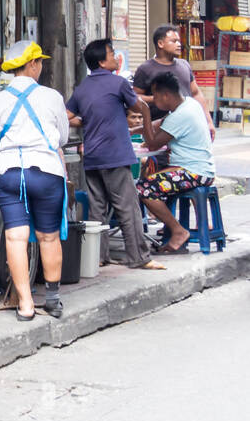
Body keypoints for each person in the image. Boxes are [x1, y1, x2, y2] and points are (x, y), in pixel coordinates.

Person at [0, 40, 71, 320]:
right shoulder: (52, 97)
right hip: (46, 172)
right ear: (31, 64)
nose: (41, 66)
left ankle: (26, 305)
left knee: (15, 237)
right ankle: (53, 300)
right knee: (48, 236)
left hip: (9, 173)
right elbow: (64, 138)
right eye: (40, 62)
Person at [65, 39, 164, 271]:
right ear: (101, 61)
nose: (115, 57)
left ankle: (99, 257)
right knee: (127, 207)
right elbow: (140, 107)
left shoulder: (82, 88)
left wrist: (87, 121)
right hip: (115, 154)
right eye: (111, 54)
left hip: (91, 157)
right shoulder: (118, 83)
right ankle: (139, 257)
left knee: (98, 208)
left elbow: (67, 116)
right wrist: (148, 129)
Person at [136, 72, 217, 254]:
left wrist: (146, 113)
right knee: (153, 179)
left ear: (165, 96)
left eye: (155, 97)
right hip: (199, 169)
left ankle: (178, 231)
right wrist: (134, 128)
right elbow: (161, 123)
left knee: (144, 188)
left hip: (194, 172)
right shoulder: (189, 104)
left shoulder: (181, 115)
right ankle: (172, 227)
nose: (154, 101)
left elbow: (152, 143)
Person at [132, 24, 216, 143]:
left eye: (179, 41)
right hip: (159, 129)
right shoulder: (145, 69)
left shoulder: (184, 65)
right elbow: (135, 97)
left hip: (187, 130)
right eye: (174, 41)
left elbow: (196, 93)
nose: (179, 44)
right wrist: (155, 99)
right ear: (160, 44)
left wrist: (208, 122)